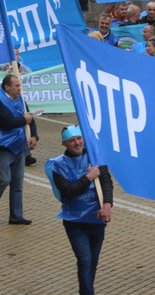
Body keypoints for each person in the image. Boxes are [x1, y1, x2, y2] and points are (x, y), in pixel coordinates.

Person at [45, 126, 114, 295]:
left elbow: (106, 182)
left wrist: (107, 205)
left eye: (79, 138)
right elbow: (69, 191)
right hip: (74, 221)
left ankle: (86, 290)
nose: (77, 143)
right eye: (72, 140)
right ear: (64, 143)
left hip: (97, 219)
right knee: (85, 261)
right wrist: (89, 177)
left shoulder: (95, 157)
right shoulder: (57, 165)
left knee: (92, 263)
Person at [0, 75, 37, 225]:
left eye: (20, 86)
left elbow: (30, 117)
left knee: (17, 184)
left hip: (18, 147)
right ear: (7, 87)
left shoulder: (21, 99)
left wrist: (34, 135)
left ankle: (16, 216)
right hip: (2, 148)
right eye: (17, 86)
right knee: (4, 180)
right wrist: (24, 120)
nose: (19, 89)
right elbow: (6, 121)